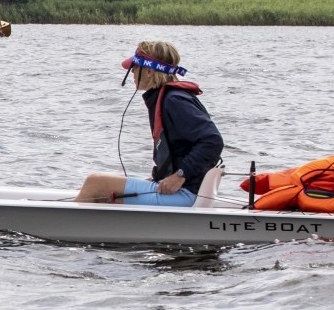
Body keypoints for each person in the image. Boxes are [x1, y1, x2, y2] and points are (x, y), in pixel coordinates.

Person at [77, 41, 224, 206]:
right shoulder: (169, 97)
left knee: (95, 184)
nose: (132, 73)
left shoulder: (175, 100)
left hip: (186, 193)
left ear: (148, 71)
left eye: (134, 68)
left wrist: (180, 175)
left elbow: (213, 141)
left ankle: (63, 230)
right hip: (188, 189)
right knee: (103, 190)